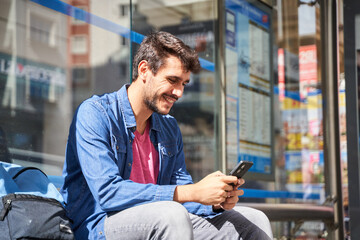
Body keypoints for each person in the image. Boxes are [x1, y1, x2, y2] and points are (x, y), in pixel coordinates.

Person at [60, 31, 273, 240]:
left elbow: (184, 193)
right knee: (172, 215)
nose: (179, 92)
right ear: (144, 70)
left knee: (254, 220)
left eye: (183, 83)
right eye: (172, 80)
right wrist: (192, 192)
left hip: (164, 220)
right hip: (100, 225)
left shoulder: (168, 127)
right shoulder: (96, 113)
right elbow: (108, 193)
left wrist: (214, 201)